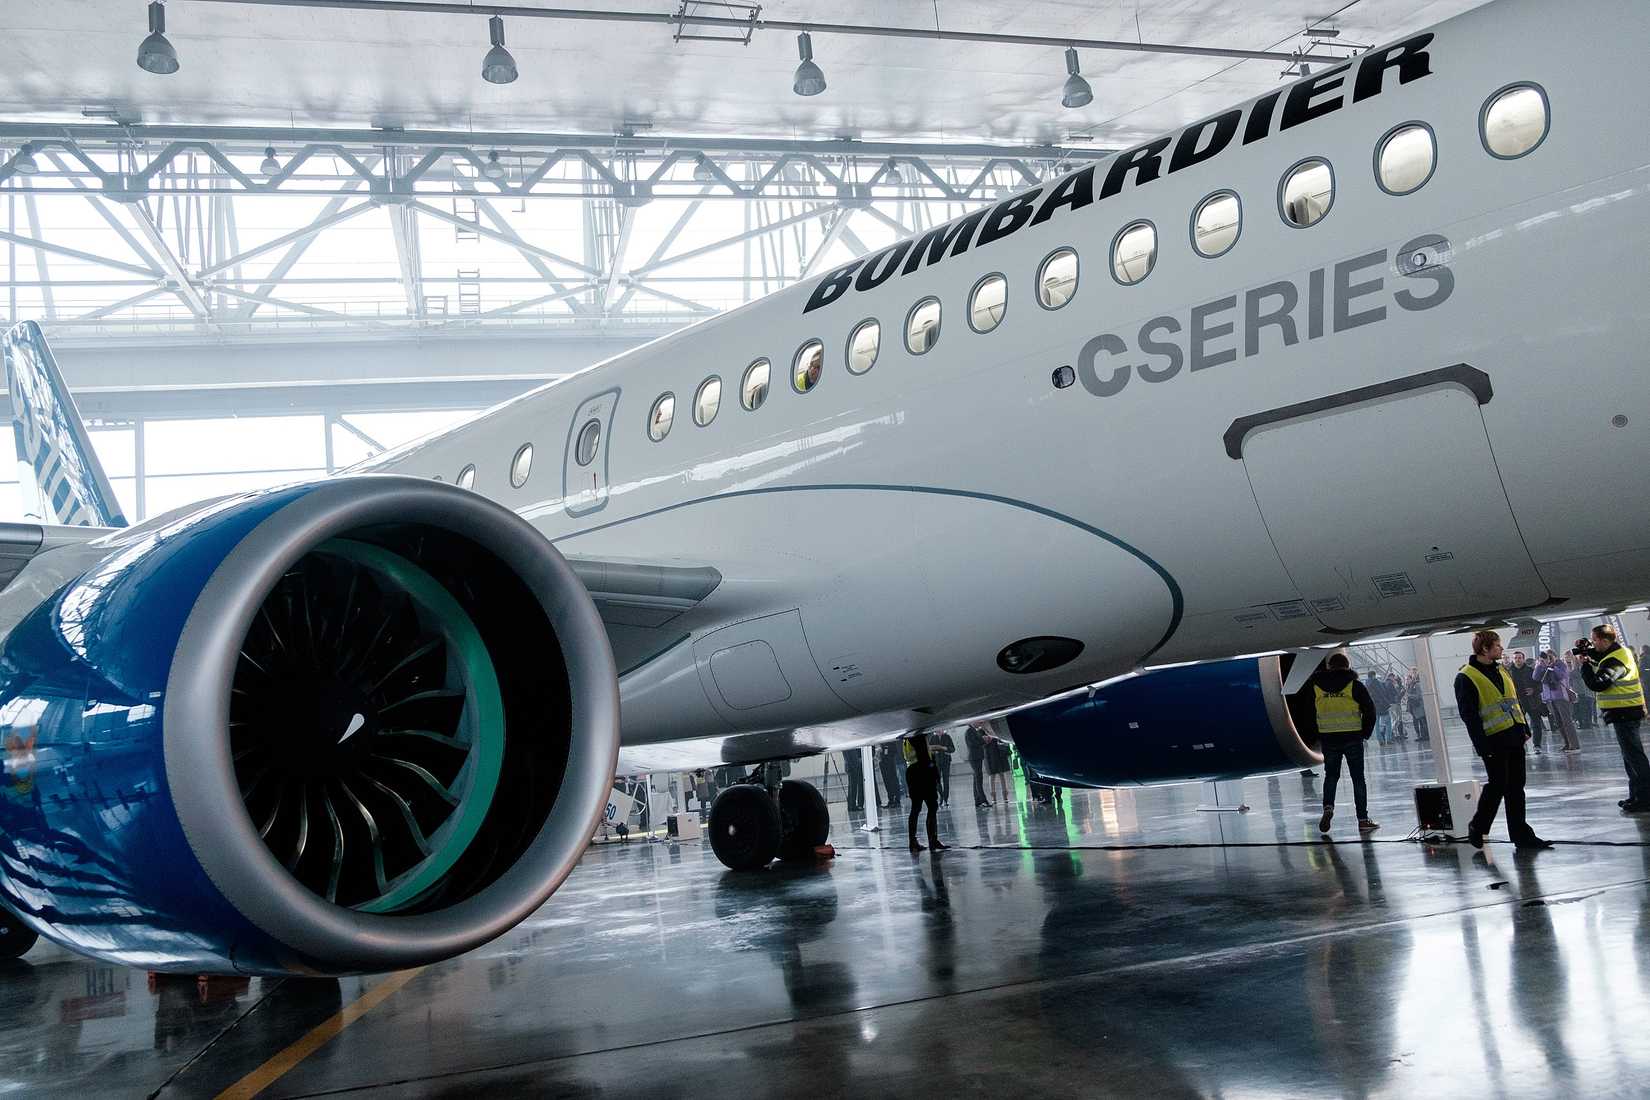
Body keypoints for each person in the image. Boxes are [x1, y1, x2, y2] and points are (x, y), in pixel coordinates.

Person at [1455, 629, 1551, 849]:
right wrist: (1482, 746)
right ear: (1485, 649)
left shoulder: (1502, 670)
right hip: (1493, 741)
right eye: (1497, 646)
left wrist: (1524, 727)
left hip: (1514, 736)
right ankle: (1478, 827)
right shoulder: (1466, 677)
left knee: (1516, 788)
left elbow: (1513, 701)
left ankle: (1522, 835)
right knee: (1497, 785)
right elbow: (1469, 716)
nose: (1501, 649)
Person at [1577, 624, 1650, 813]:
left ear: (1604, 641)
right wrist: (1586, 651)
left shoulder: (1616, 661)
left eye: (1595, 641)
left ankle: (1645, 798)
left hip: (1625, 713)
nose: (1593, 644)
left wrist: (1584, 665)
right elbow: (1601, 656)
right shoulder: (1620, 651)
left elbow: (1597, 683)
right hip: (1625, 712)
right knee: (1630, 757)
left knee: (1635, 757)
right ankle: (1636, 796)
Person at [1307, 653, 1379, 834]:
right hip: (1352, 738)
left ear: (1329, 667)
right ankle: (1363, 820)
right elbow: (1370, 710)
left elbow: (1307, 713)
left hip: (1329, 739)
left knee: (1331, 776)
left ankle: (1328, 808)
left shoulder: (1316, 687)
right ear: (1347, 666)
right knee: (1358, 779)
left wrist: (1316, 735)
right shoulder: (1355, 686)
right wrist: (1365, 733)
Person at [901, 734, 946, 852]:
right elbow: (925, 756)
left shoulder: (906, 737)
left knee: (916, 808)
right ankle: (932, 840)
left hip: (912, 772)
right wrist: (935, 775)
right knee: (932, 806)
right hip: (922, 772)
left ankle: (913, 841)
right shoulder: (919, 736)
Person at [1535, 650, 1581, 753]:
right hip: (1549, 699)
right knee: (1559, 723)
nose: (1548, 659)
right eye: (1547, 657)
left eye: (1550, 657)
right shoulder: (1543, 666)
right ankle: (1567, 743)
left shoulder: (1561, 665)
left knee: (1567, 721)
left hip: (1561, 697)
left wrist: (1552, 666)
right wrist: (1539, 664)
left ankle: (1574, 744)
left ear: (1555, 656)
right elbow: (1535, 677)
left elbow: (1561, 676)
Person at [1508, 649, 1548, 753]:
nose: (1517, 660)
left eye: (1519, 658)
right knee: (1519, 725)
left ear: (1523, 659)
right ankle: (1521, 743)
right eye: (1515, 658)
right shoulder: (1508, 672)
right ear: (1513, 660)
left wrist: (1533, 690)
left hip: (1532, 701)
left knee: (1536, 723)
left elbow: (1540, 684)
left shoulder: (1530, 670)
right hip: (1516, 702)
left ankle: (1537, 745)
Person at [965, 723, 991, 807]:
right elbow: (972, 743)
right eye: (978, 722)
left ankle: (977, 801)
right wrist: (983, 740)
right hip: (974, 757)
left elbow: (976, 742)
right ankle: (983, 800)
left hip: (977, 757)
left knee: (976, 779)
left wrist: (983, 740)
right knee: (979, 779)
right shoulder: (969, 731)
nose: (979, 723)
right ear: (973, 722)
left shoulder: (974, 731)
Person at [985, 730, 1014, 806]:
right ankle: (993, 798)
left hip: (999, 755)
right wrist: (988, 738)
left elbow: (1003, 740)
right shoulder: (982, 731)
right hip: (990, 756)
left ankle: (1005, 797)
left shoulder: (994, 730)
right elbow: (982, 742)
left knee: (1001, 776)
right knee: (992, 776)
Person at [930, 729, 956, 807]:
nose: (939, 731)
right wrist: (934, 752)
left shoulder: (947, 737)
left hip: (946, 761)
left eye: (940, 729)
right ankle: (941, 796)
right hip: (937, 762)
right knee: (937, 781)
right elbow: (929, 750)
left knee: (946, 781)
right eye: (937, 729)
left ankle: (945, 799)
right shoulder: (933, 738)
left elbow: (953, 749)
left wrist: (946, 749)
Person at [1368, 670, 1395, 744]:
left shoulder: (1366, 684)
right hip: (1381, 706)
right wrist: (1387, 704)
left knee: (1376, 724)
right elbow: (1382, 694)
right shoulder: (1376, 683)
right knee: (1388, 722)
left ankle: (1380, 741)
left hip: (1373, 707)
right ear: (1373, 675)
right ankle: (1389, 739)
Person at [1405, 668, 1429, 743]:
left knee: (1422, 721)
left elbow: (1419, 696)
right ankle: (1423, 735)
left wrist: (1409, 695)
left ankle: (1426, 735)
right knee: (1420, 722)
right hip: (1415, 707)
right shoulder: (1411, 686)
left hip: (1419, 706)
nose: (1407, 680)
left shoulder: (1417, 685)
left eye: (1408, 679)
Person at [877, 743, 903, 810]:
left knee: (893, 780)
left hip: (889, 759)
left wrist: (884, 749)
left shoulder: (890, 740)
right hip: (882, 760)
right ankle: (891, 800)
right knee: (886, 781)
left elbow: (893, 749)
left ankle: (897, 800)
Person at [843, 747, 865, 812]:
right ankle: (852, 805)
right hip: (852, 767)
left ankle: (851, 805)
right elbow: (851, 757)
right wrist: (855, 764)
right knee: (853, 787)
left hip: (851, 766)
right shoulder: (848, 746)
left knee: (852, 787)